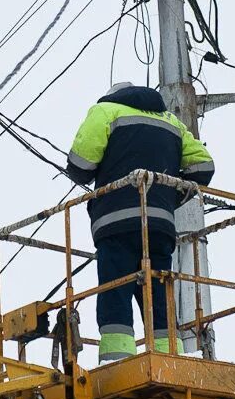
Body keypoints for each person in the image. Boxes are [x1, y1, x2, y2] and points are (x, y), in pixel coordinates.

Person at [65, 82, 215, 363]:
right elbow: (203, 167)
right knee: (158, 291)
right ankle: (170, 357)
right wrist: (171, 194)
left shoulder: (106, 111)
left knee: (115, 290)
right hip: (160, 224)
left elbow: (80, 165)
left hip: (115, 222)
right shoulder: (171, 121)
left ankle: (116, 359)